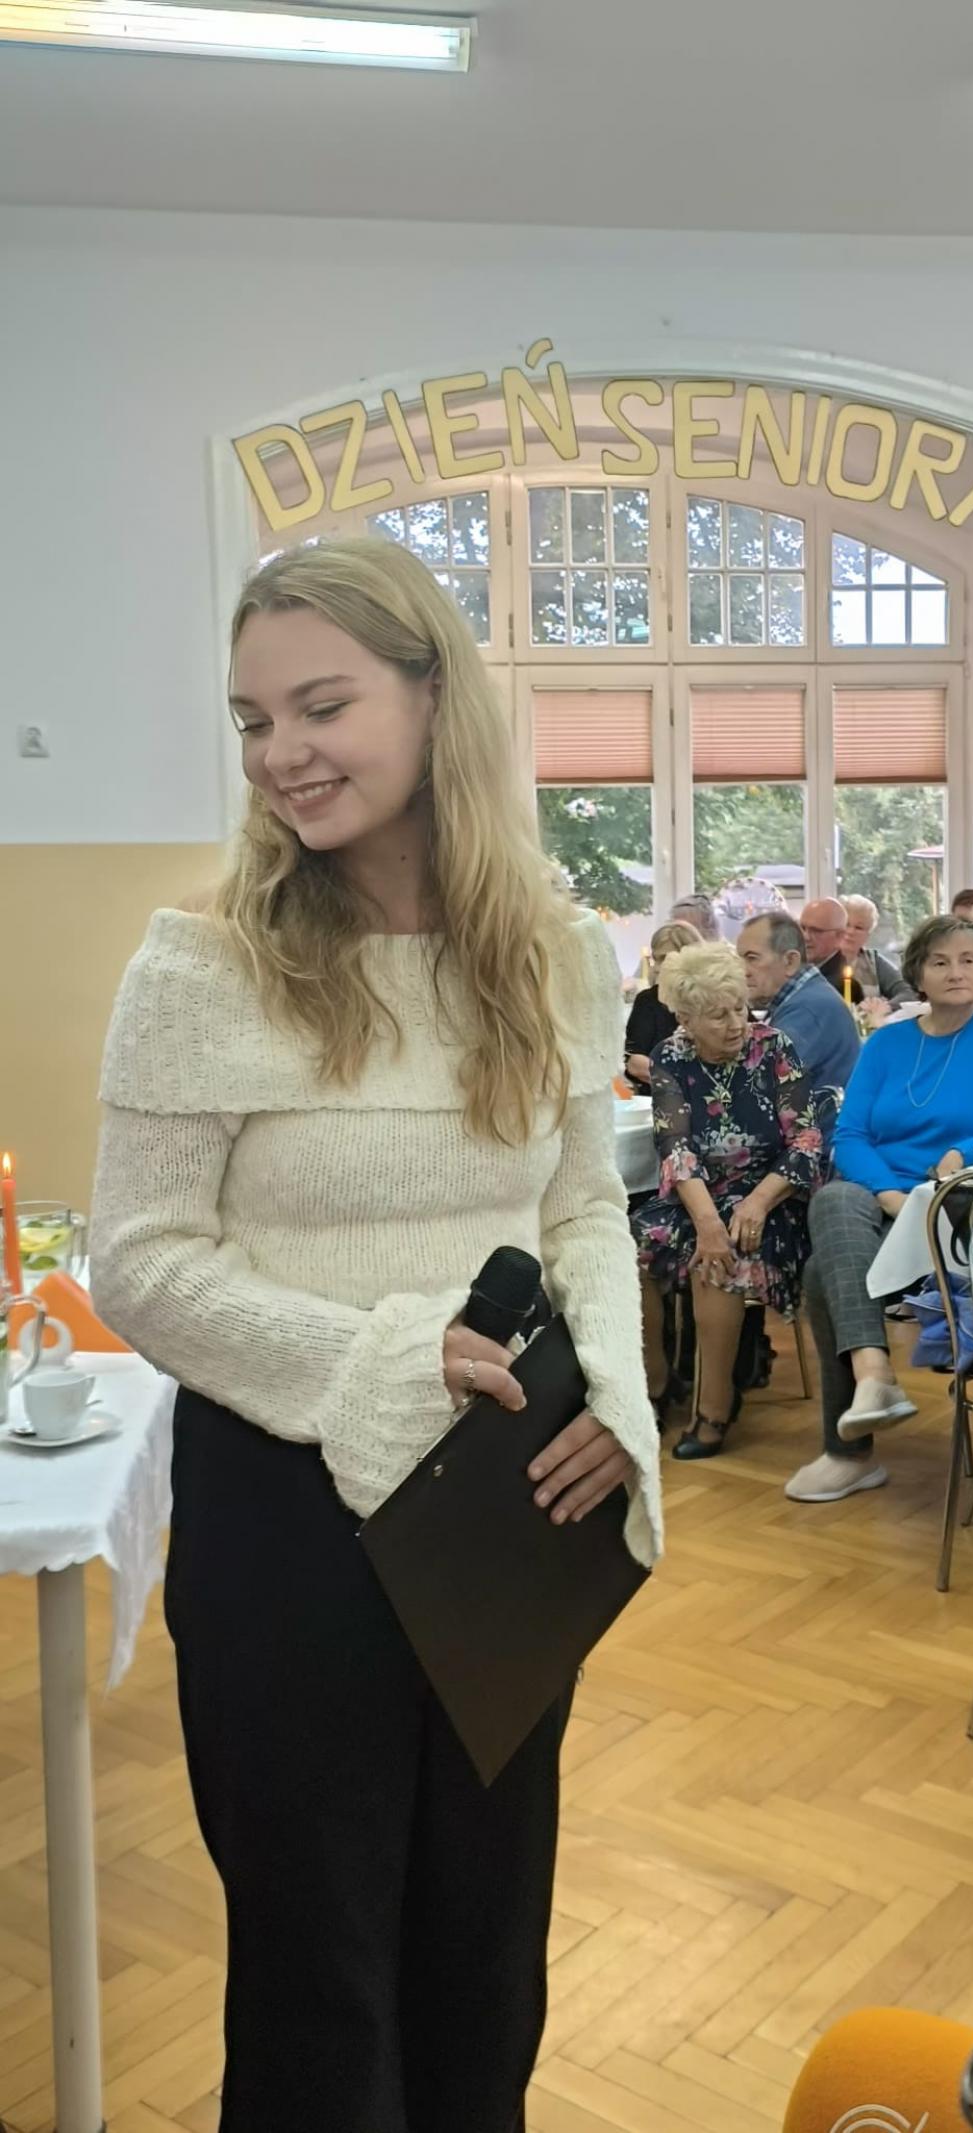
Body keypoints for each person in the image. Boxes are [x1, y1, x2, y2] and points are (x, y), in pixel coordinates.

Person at [89, 536, 663, 2133]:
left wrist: (618, 1393)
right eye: (252, 719)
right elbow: (140, 1261)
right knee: (320, 1988)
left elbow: (579, 1206)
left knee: (487, 1960)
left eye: (321, 705)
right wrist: (373, 1360)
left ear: (433, 699)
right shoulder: (201, 964)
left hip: (501, 1507)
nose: (282, 752)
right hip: (288, 1517)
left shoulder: (553, 951)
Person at [788, 914, 973, 1505]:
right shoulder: (888, 1043)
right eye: (940, 962)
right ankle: (873, 1377)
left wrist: (969, 1152)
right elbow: (850, 1136)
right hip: (890, 1201)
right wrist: (891, 1195)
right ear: (918, 974)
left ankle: (849, 1451)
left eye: (968, 960)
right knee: (836, 1197)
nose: (955, 972)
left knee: (820, 1273)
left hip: (967, 1203)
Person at [632, 943, 821, 1462]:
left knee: (719, 1263)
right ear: (686, 1019)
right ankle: (653, 1383)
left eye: (740, 1007)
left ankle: (714, 1407)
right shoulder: (671, 1056)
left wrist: (755, 1204)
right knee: (628, 1251)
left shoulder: (774, 1047)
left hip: (770, 1195)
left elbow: (806, 1141)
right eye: (718, 1015)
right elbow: (676, 1147)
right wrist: (707, 1222)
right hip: (697, 1196)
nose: (737, 1023)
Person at [737, 911, 861, 1100]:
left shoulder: (808, 1009)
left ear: (790, 961)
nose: (742, 971)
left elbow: (757, 1088)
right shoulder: (807, 996)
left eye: (752, 958)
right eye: (739, 960)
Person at [624, 919, 701, 1086]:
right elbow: (634, 1062)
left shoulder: (713, 1000)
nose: (658, 968)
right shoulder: (647, 1001)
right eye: (656, 959)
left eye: (665, 958)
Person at [841, 894, 918, 1024]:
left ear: (868, 934)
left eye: (859, 928)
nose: (850, 931)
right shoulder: (822, 958)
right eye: (846, 924)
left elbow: (907, 992)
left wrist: (882, 1008)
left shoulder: (875, 962)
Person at [799, 896, 863, 1003]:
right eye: (802, 928)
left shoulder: (845, 986)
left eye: (816, 931)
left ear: (840, 936)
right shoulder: (792, 968)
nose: (806, 937)